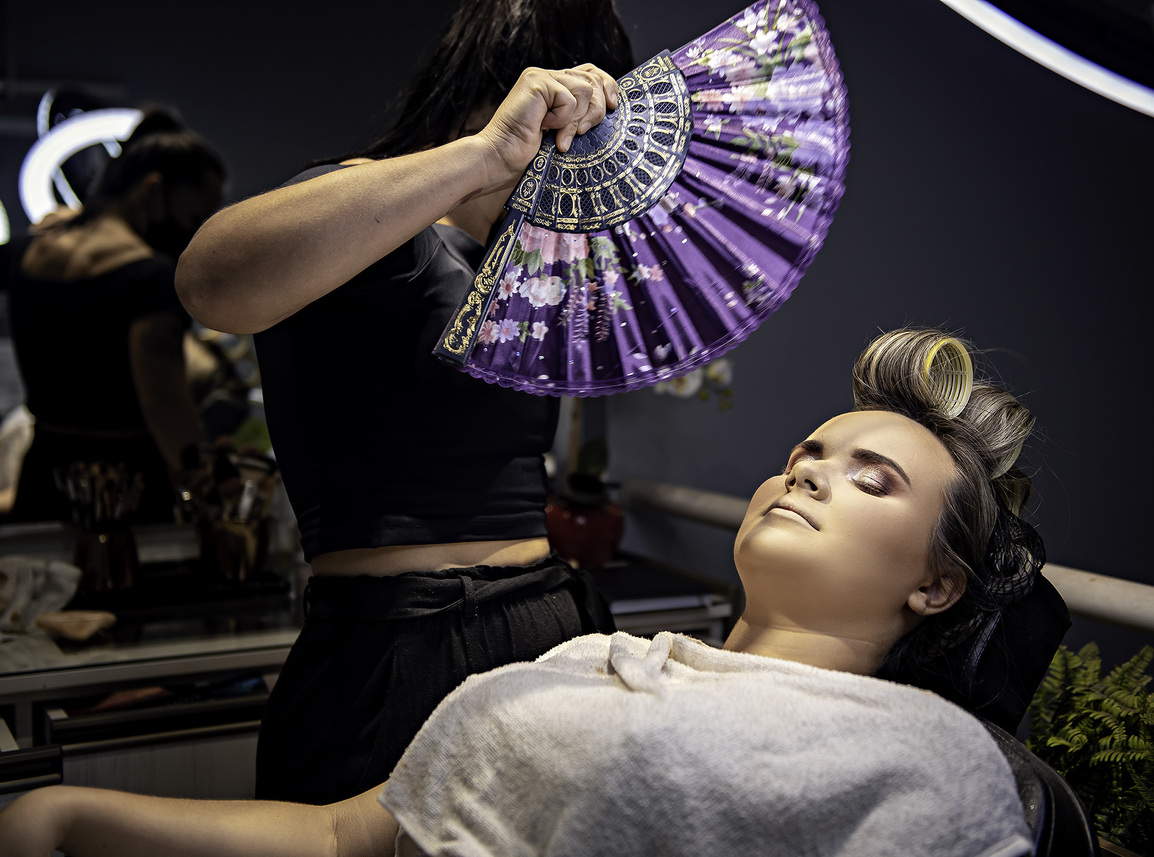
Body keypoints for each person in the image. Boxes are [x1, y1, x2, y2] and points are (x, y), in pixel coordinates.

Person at [0, 327, 1056, 856]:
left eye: (873, 479)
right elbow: (342, 839)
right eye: (805, 455)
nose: (810, 474)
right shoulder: (581, 665)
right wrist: (69, 811)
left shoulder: (927, 759)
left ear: (936, 583)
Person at [173, 0, 635, 805]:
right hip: (397, 643)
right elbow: (209, 281)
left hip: (552, 624)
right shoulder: (374, 205)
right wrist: (485, 153)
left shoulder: (527, 255)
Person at [3, 109, 225, 525]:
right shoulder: (150, 278)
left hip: (44, 473)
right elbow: (163, 401)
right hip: (124, 488)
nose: (195, 232)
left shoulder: (26, 251)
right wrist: (204, 485)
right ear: (152, 189)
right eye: (195, 217)